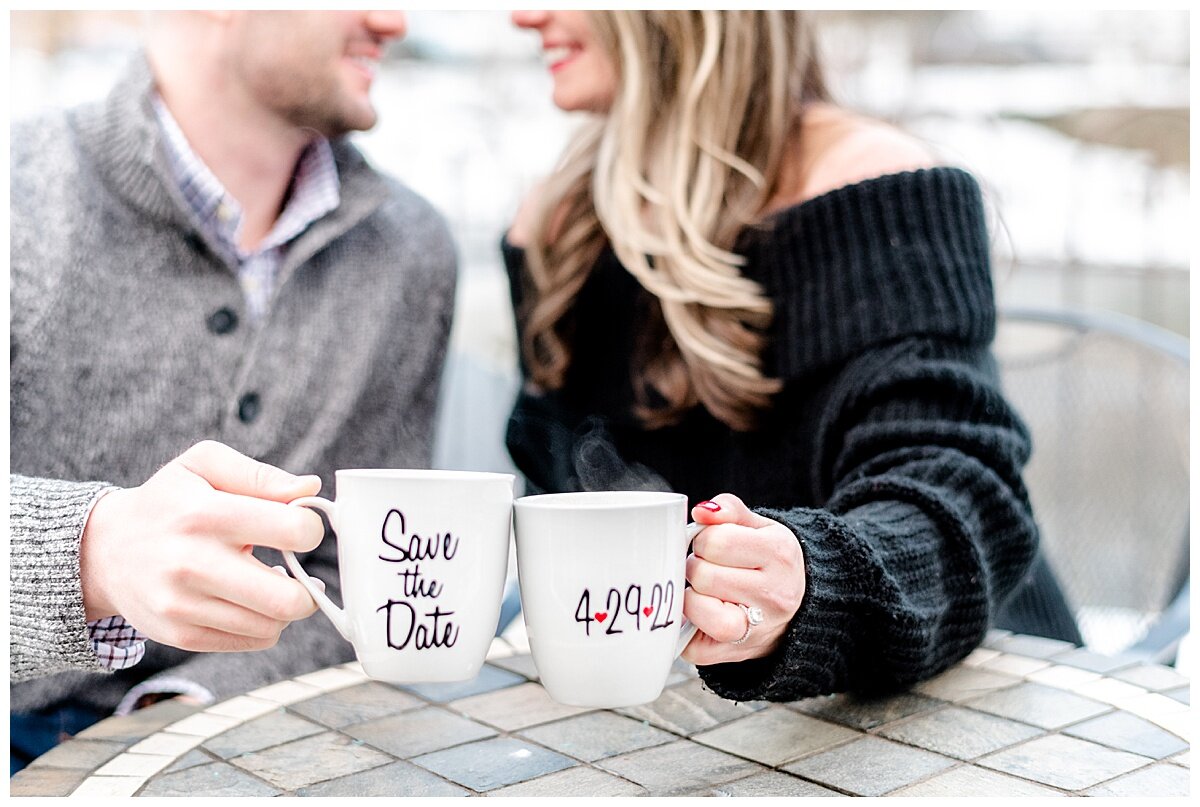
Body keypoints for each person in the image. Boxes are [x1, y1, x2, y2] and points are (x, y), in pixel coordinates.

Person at [504, 10, 1081, 703]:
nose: (525, 15)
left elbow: (959, 497)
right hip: (685, 725)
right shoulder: (558, 224)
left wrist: (810, 578)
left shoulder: (877, 186)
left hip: (969, 695)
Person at [10, 10, 456, 771]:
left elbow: (358, 571)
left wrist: (176, 719)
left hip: (262, 733)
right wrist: (93, 553)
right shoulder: (18, 201)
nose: (393, 19)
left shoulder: (411, 251)